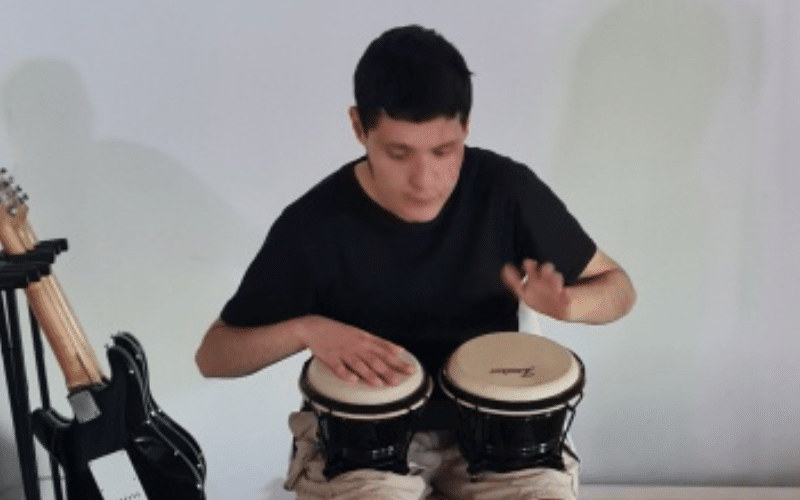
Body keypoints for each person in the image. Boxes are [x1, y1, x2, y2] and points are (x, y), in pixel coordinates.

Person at [195, 24, 636, 500]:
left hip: (500, 435)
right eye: (398, 153)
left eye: (443, 151)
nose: (424, 179)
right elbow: (215, 355)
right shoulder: (314, 225)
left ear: (466, 127)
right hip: (360, 443)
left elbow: (617, 287)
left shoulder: (505, 190)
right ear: (358, 127)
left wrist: (571, 305)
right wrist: (305, 329)